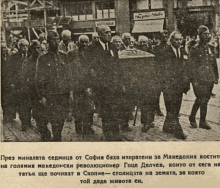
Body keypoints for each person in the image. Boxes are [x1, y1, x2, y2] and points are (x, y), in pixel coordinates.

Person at [35, 30, 74, 141]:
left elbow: (69, 75)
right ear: (48, 42)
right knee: (51, 117)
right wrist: (42, 95)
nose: (56, 42)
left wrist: (70, 91)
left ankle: (57, 136)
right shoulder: (42, 58)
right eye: (53, 40)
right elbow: (38, 79)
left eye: (57, 39)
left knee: (61, 117)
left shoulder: (63, 56)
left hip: (63, 94)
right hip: (50, 94)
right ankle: (53, 137)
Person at [87, 25, 123, 141]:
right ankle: (109, 135)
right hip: (102, 86)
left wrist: (121, 83)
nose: (109, 34)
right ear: (99, 35)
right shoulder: (92, 48)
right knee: (107, 112)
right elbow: (89, 68)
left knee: (116, 110)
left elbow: (118, 66)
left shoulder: (112, 47)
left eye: (110, 32)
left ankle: (116, 133)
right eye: (106, 32)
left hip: (114, 85)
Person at [160, 31, 190, 139]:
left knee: (176, 108)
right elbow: (162, 70)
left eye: (180, 39)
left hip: (180, 86)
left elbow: (186, 68)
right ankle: (178, 131)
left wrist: (186, 83)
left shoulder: (183, 51)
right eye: (176, 39)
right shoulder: (165, 52)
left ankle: (167, 126)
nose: (178, 42)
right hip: (169, 86)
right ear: (171, 40)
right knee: (172, 109)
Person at [189, 25, 219, 129]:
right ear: (200, 35)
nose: (207, 36)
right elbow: (191, 67)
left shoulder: (211, 48)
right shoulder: (195, 49)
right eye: (204, 34)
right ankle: (192, 117)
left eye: (208, 34)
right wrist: (193, 81)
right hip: (199, 79)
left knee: (205, 99)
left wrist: (216, 77)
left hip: (209, 78)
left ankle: (202, 121)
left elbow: (214, 64)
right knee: (200, 98)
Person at [68, 34, 96, 134]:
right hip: (77, 85)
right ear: (78, 43)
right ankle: (78, 127)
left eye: (86, 42)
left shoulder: (91, 53)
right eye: (82, 42)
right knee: (78, 107)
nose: (84, 44)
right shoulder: (71, 54)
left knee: (89, 108)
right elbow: (69, 70)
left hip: (88, 85)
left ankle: (88, 127)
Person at [6, 39, 30, 130]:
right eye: (23, 46)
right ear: (19, 47)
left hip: (28, 85)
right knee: (21, 104)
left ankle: (27, 121)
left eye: (26, 46)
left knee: (28, 104)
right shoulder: (13, 57)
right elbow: (9, 72)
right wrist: (11, 83)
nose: (25, 48)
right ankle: (24, 122)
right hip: (18, 85)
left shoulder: (30, 57)